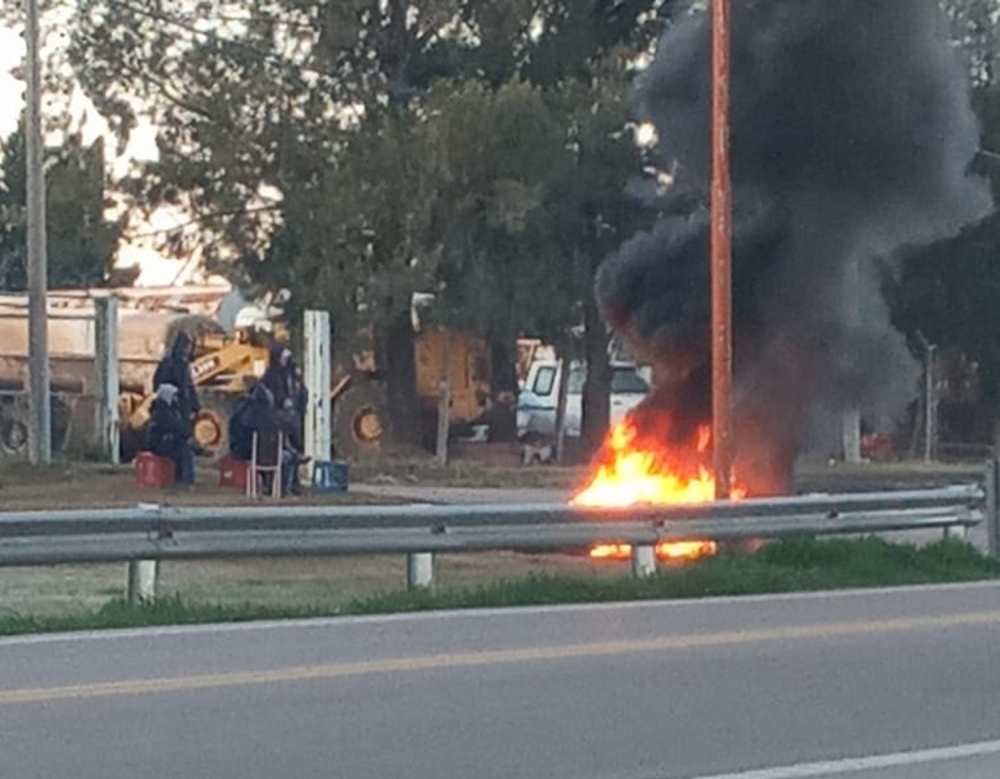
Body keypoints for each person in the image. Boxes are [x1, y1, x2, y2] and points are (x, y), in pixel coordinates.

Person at [146, 383, 195, 487]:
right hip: (159, 443)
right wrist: (186, 434)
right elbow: (175, 427)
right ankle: (185, 480)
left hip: (164, 441)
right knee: (184, 451)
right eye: (173, 396)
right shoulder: (163, 411)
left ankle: (182, 477)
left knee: (183, 447)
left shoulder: (167, 409)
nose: (176, 398)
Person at [153, 331, 200, 431]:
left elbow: (189, 387)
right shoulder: (169, 363)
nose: (189, 349)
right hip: (170, 406)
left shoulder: (184, 365)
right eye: (188, 346)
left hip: (183, 407)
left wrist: (196, 406)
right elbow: (159, 382)